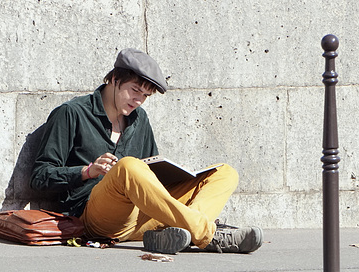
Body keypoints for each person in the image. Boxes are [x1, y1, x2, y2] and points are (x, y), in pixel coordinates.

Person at [30, 48, 263, 254]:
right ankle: (206, 234)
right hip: (95, 216)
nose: (138, 100)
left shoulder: (140, 120)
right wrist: (87, 171)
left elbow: (151, 170)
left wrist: (179, 176)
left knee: (224, 173)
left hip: (142, 216)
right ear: (113, 79)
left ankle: (178, 232)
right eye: (134, 90)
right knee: (128, 166)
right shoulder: (71, 113)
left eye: (145, 96)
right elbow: (40, 176)